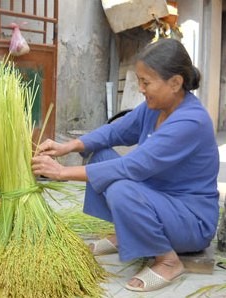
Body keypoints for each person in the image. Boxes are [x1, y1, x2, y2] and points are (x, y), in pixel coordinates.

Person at [32, 38, 219, 292]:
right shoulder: (155, 107)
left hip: (190, 220)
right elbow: (115, 131)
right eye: (139, 81)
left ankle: (167, 260)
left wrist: (62, 172)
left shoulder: (191, 121)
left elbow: (133, 166)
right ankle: (129, 231)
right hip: (158, 200)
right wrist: (68, 147)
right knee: (99, 155)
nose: (141, 88)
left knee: (121, 188)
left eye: (146, 82)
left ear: (175, 83)